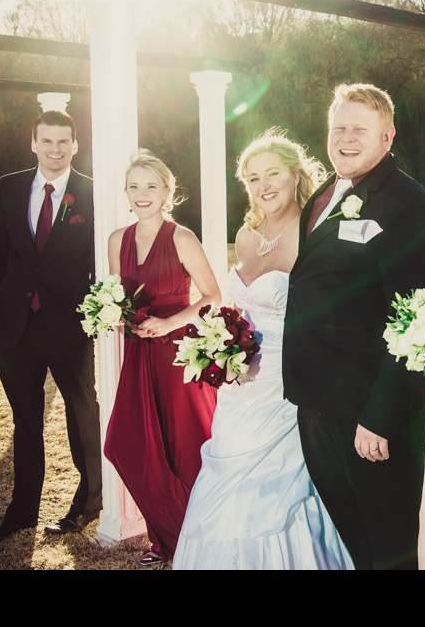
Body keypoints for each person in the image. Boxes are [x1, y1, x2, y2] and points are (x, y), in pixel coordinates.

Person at [173, 130, 353, 570]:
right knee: (226, 466)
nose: (263, 185)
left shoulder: (316, 234)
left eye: (272, 173)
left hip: (287, 382)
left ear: (296, 176)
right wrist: (221, 343)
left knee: (278, 485)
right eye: (253, 178)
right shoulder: (246, 235)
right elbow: (240, 307)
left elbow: (334, 314)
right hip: (238, 387)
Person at [283, 84, 425, 570]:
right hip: (317, 401)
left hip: (371, 412)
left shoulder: (408, 204)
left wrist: (379, 417)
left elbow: (413, 322)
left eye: (359, 129)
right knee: (356, 542)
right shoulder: (323, 195)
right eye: (339, 128)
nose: (346, 138)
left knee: (390, 550)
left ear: (387, 136)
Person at [0, 110, 102, 544]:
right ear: (33, 143)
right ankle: (21, 512)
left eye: (63, 141)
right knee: (25, 421)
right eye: (46, 141)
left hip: (69, 325)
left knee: (81, 414)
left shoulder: (93, 192)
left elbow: (97, 259)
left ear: (75, 145)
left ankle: (88, 503)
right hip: (15, 326)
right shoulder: (9, 187)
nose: (55, 149)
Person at [103, 150, 220, 565]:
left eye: (151, 186)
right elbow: (117, 296)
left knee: (184, 446)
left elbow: (212, 296)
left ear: (167, 191)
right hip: (139, 352)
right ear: (125, 192)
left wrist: (169, 323)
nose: (142, 194)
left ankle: (191, 540)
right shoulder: (117, 239)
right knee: (126, 443)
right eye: (134, 186)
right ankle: (167, 533)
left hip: (178, 354)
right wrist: (116, 316)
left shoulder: (181, 238)